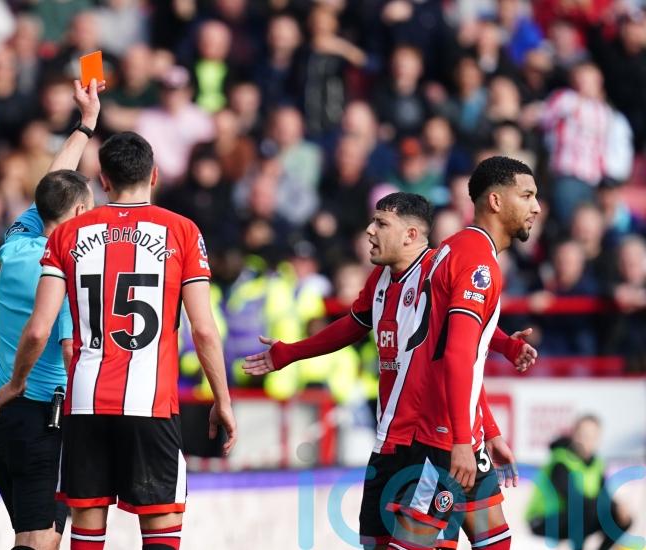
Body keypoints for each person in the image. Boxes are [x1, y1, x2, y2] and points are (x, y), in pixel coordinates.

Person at [243, 192, 537, 550]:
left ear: (410, 235)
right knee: (385, 542)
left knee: (482, 539)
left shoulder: (439, 268)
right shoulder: (381, 279)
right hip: (393, 438)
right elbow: (351, 326)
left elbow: (464, 348)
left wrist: (504, 353)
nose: (370, 231)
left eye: (381, 223)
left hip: (437, 437)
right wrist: (290, 352)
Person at [0, 130, 237, 550]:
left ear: (103, 180)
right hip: (151, 402)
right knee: (161, 530)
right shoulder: (182, 231)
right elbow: (204, 330)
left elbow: (38, 327)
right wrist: (222, 399)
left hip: (84, 402)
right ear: (154, 175)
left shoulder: (68, 235)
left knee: (86, 532)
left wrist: (17, 382)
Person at [384, 156, 541, 550]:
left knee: (496, 540)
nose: (536, 207)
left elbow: (459, 345)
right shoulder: (478, 263)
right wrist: (458, 439)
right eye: (527, 196)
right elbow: (455, 355)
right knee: (416, 543)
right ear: (496, 201)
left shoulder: (457, 246)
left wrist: (487, 429)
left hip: (461, 429)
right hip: (442, 432)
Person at [0, 78, 103, 550]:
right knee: (37, 541)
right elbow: (62, 344)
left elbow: (53, 186)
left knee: (41, 539)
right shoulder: (64, 270)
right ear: (80, 211)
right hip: (40, 416)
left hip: (1, 420)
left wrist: (86, 125)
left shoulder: (16, 245)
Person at [527, 415, 633, 550]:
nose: (588, 441)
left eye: (593, 436)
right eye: (584, 435)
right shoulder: (560, 461)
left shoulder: (597, 464)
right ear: (574, 435)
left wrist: (617, 507)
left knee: (621, 517)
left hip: (574, 517)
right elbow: (574, 499)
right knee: (585, 511)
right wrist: (611, 506)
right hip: (543, 520)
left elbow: (604, 495)